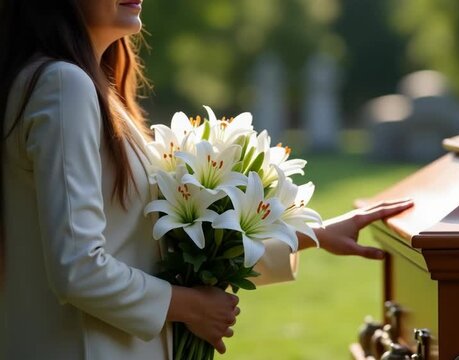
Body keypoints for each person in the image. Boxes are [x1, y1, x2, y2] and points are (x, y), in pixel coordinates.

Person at [0, 0, 414, 359]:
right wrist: (188, 307)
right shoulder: (62, 85)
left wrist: (314, 235)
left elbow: (152, 247)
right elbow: (78, 268)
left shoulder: (87, 88)